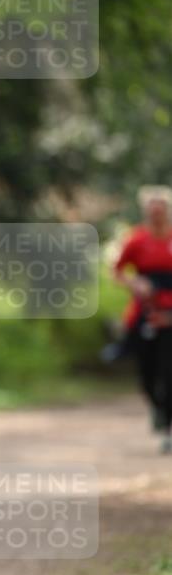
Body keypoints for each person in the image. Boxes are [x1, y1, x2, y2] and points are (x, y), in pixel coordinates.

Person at [113, 185, 172, 454]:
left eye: (161, 210)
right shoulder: (136, 240)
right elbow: (117, 271)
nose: (157, 215)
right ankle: (158, 408)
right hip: (145, 313)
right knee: (146, 373)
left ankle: (167, 424)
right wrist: (136, 282)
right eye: (153, 210)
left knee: (169, 370)